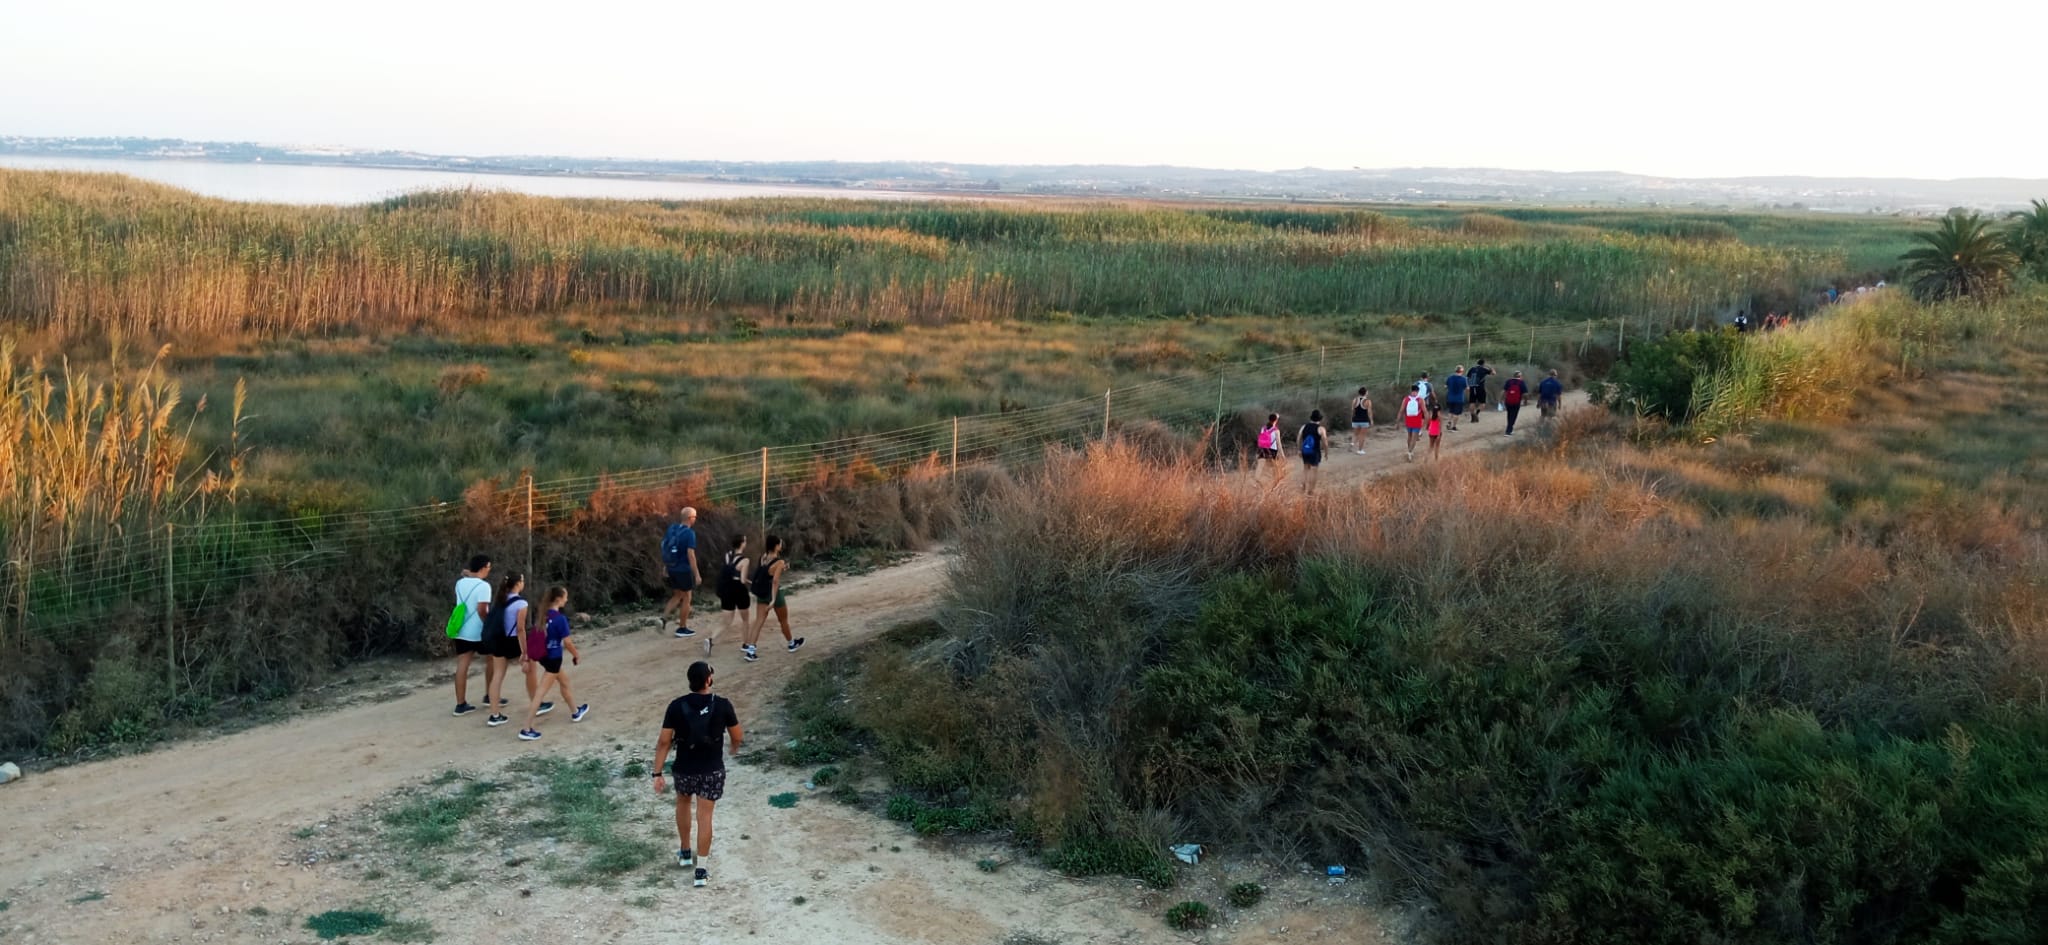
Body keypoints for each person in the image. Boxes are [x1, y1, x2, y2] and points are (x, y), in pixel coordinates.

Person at [652, 660, 743, 889]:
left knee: (683, 803)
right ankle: (701, 869)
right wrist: (733, 747)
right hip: (711, 769)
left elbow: (664, 741)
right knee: (705, 816)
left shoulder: (676, 706)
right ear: (708, 680)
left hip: (684, 767)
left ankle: (684, 851)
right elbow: (737, 735)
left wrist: (657, 772)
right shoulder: (722, 705)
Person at [517, 586, 588, 740]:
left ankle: (575, 711)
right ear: (559, 599)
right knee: (540, 693)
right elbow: (567, 642)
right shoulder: (560, 619)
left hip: (544, 657)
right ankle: (526, 728)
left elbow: (535, 639)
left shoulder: (543, 616)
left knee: (565, 682)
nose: (567, 599)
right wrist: (576, 654)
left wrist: (527, 657)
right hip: (554, 659)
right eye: (565, 597)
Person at [484, 571, 537, 727]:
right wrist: (525, 652)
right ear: (518, 584)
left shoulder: (500, 600)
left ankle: (494, 714)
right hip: (513, 640)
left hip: (498, 640)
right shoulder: (521, 604)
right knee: (531, 668)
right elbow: (520, 629)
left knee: (498, 675)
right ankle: (536, 702)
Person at [743, 535, 802, 660]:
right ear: (776, 546)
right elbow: (775, 581)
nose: (781, 546)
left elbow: (767, 573)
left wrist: (782, 569)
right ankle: (791, 644)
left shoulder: (763, 557)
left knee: (758, 621)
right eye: (779, 544)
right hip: (774, 594)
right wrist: (774, 599)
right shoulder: (779, 562)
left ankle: (751, 650)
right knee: (783, 620)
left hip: (762, 593)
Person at [450, 555, 494, 717]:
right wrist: (489, 625)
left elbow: (467, 578)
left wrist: (468, 573)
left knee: (462, 665)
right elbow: (482, 609)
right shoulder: (484, 587)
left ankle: (460, 704)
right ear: (483, 568)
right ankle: (490, 695)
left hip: (462, 630)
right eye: (488, 567)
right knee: (492, 660)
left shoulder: (459, 583)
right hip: (479, 630)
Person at [660, 508, 701, 639]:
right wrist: (697, 574)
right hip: (683, 569)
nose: (695, 519)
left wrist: (665, 566)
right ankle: (682, 628)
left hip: (671, 568)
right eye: (695, 517)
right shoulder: (689, 534)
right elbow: (691, 555)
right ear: (690, 518)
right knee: (687, 597)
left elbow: (666, 547)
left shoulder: (672, 529)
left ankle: (663, 619)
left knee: (677, 595)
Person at [714, 534, 752, 655]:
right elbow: (742, 579)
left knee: (726, 621)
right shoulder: (745, 560)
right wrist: (751, 582)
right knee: (745, 619)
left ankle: (711, 640)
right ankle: (746, 644)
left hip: (726, 590)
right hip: (739, 590)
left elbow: (729, 571)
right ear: (742, 543)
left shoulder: (727, 556)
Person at [1298, 410, 1328, 495]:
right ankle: (1311, 490)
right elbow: (1325, 442)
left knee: (1305, 469)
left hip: (1305, 451)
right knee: (1314, 471)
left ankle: (1303, 487)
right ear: (1320, 419)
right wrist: (1326, 452)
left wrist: (1299, 449)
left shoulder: (1304, 426)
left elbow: (1298, 438)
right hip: (1315, 452)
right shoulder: (1321, 428)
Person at [1400, 384, 1426, 462]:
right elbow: (1425, 411)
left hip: (1408, 420)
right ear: (1418, 391)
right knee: (1414, 438)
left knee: (1409, 436)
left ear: (1411, 390)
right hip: (1417, 421)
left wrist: (1397, 421)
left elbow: (1401, 410)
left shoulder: (1406, 399)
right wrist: (1426, 421)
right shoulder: (1420, 400)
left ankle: (1409, 450)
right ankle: (1410, 452)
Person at [1466, 359, 1493, 424]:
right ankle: (1476, 414)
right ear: (1483, 363)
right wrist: (1491, 368)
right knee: (1482, 403)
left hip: (1472, 387)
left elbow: (1467, 377)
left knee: (1472, 402)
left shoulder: (1472, 369)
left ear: (1477, 363)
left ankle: (1472, 416)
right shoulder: (1484, 369)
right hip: (1480, 387)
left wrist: (1468, 386)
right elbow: (1493, 373)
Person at [1502, 371, 1528, 436]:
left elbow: (1504, 391)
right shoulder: (1521, 382)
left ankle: (1510, 429)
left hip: (1508, 401)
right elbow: (1525, 393)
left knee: (1509, 414)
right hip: (1516, 402)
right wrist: (1525, 401)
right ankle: (1508, 431)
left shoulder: (1509, 381)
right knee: (1513, 415)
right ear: (1520, 376)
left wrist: (1501, 399)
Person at [1444, 366, 1469, 432]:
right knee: (1456, 413)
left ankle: (1449, 422)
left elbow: (1445, 386)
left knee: (1450, 411)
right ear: (1462, 371)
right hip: (1459, 399)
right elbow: (1467, 388)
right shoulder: (1464, 379)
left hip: (1450, 398)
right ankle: (1454, 426)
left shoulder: (1450, 377)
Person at [1349, 388, 1373, 454]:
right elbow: (1369, 412)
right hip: (1364, 420)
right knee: (1362, 436)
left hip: (1355, 420)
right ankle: (1360, 450)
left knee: (1356, 434)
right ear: (1365, 393)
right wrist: (1371, 420)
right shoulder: (1368, 401)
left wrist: (1351, 418)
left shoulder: (1355, 400)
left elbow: (1353, 411)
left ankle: (1352, 443)